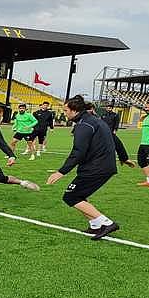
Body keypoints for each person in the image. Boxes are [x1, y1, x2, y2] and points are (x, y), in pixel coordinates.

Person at [46, 96, 119, 240]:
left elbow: (78, 151)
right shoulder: (95, 121)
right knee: (79, 195)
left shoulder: (84, 125)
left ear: (74, 110)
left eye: (66, 110)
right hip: (102, 166)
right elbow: (115, 139)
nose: (65, 113)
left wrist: (61, 172)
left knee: (71, 196)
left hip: (96, 168)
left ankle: (107, 223)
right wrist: (123, 157)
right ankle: (95, 226)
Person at [100, 103, 136, 168]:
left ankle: (123, 159)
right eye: (108, 107)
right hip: (104, 133)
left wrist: (115, 130)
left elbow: (116, 123)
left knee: (117, 145)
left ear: (112, 108)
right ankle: (123, 159)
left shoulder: (115, 115)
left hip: (111, 133)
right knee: (110, 146)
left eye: (110, 107)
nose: (109, 109)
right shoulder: (103, 115)